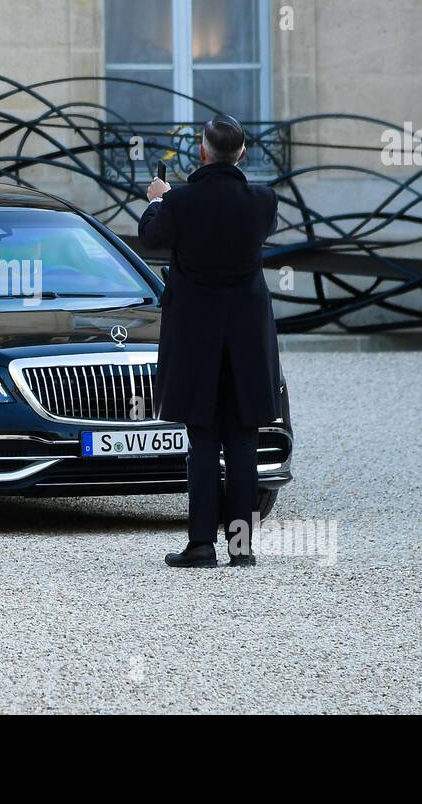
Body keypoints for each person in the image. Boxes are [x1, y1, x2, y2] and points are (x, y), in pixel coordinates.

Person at [138, 114, 281, 568]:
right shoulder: (262, 201)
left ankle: (201, 544)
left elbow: (150, 237)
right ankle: (241, 547)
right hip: (246, 338)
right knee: (242, 439)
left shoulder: (180, 203)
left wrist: (159, 200)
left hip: (196, 337)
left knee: (201, 440)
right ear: (241, 153)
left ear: (201, 153)